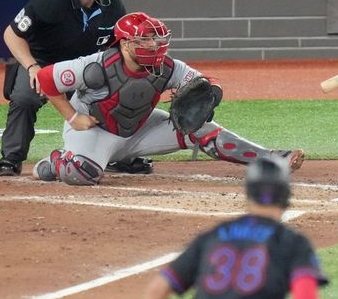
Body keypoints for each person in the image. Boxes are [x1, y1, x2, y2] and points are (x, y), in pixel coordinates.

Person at [31, 12, 305, 186]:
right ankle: (56, 161)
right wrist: (72, 116)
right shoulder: (95, 67)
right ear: (125, 43)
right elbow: (45, 78)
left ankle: (271, 159)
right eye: (145, 41)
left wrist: (211, 95)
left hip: (140, 130)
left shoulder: (169, 67)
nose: (154, 46)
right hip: (95, 132)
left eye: (156, 40)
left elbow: (207, 82)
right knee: (80, 174)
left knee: (202, 130)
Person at [129, 155, 327, 299]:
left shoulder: (213, 236)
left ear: (249, 193)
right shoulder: (291, 241)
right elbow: (304, 288)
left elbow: (160, 286)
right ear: (286, 195)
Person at [0, 0, 143, 176]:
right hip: (43, 64)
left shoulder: (114, 6)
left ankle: (119, 156)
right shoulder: (49, 2)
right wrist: (32, 67)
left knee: (116, 98)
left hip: (85, 69)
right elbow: (11, 34)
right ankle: (11, 158)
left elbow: (121, 47)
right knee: (25, 99)